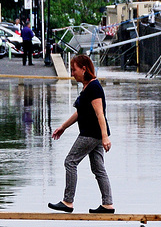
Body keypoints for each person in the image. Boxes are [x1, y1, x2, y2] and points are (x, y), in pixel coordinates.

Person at [49, 54, 114, 214]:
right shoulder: (87, 87)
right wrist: (63, 127)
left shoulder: (93, 87)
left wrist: (105, 137)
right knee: (98, 168)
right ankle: (107, 205)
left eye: (74, 70)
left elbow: (100, 114)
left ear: (84, 69)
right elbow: (80, 113)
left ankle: (68, 201)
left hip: (91, 134)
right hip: (95, 134)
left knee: (70, 162)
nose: (72, 73)